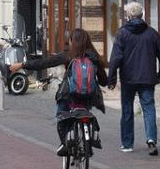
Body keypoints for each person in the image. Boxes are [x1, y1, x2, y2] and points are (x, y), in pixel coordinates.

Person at [9, 27, 108, 155]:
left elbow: (45, 62)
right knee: (84, 112)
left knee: (62, 116)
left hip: (69, 94)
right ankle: (89, 135)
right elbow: (103, 81)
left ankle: (65, 143)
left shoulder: (68, 54)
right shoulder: (94, 57)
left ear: (72, 41)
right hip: (88, 97)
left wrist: (22, 65)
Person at [108, 2, 160, 154]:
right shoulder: (151, 33)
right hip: (147, 78)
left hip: (128, 79)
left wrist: (111, 79)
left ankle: (127, 143)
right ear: (142, 15)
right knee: (149, 108)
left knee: (127, 110)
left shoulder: (122, 34)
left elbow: (116, 58)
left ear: (129, 16)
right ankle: (151, 139)